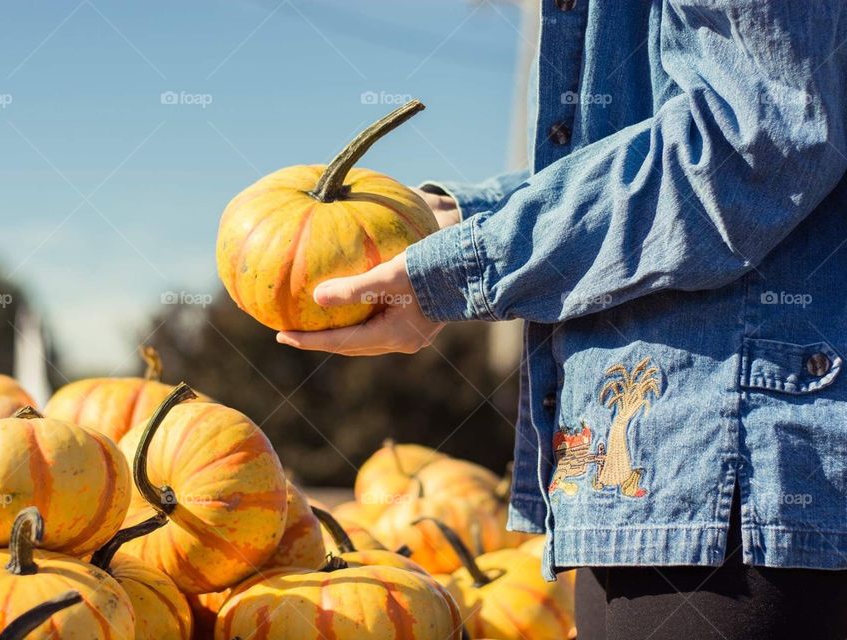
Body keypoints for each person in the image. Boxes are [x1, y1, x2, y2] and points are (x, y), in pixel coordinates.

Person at [277, 1, 847, 639]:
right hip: (629, 482)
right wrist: (457, 220)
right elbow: (632, 148)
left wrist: (467, 268)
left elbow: (758, 140)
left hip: (739, 476)